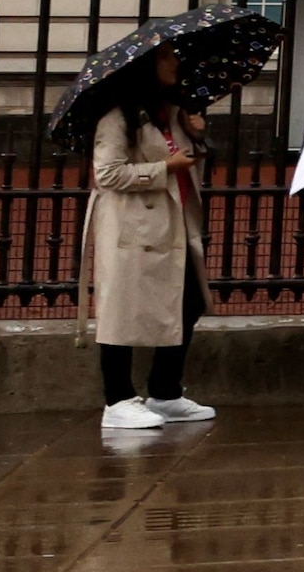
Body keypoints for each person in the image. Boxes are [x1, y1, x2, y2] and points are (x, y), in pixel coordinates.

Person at [83, 52, 209, 445]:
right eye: (168, 60)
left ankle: (165, 392)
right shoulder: (118, 119)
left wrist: (198, 136)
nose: (176, 66)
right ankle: (116, 399)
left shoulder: (172, 114)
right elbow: (106, 173)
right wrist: (163, 170)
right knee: (120, 309)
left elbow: (187, 161)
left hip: (172, 225)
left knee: (188, 301)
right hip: (132, 226)